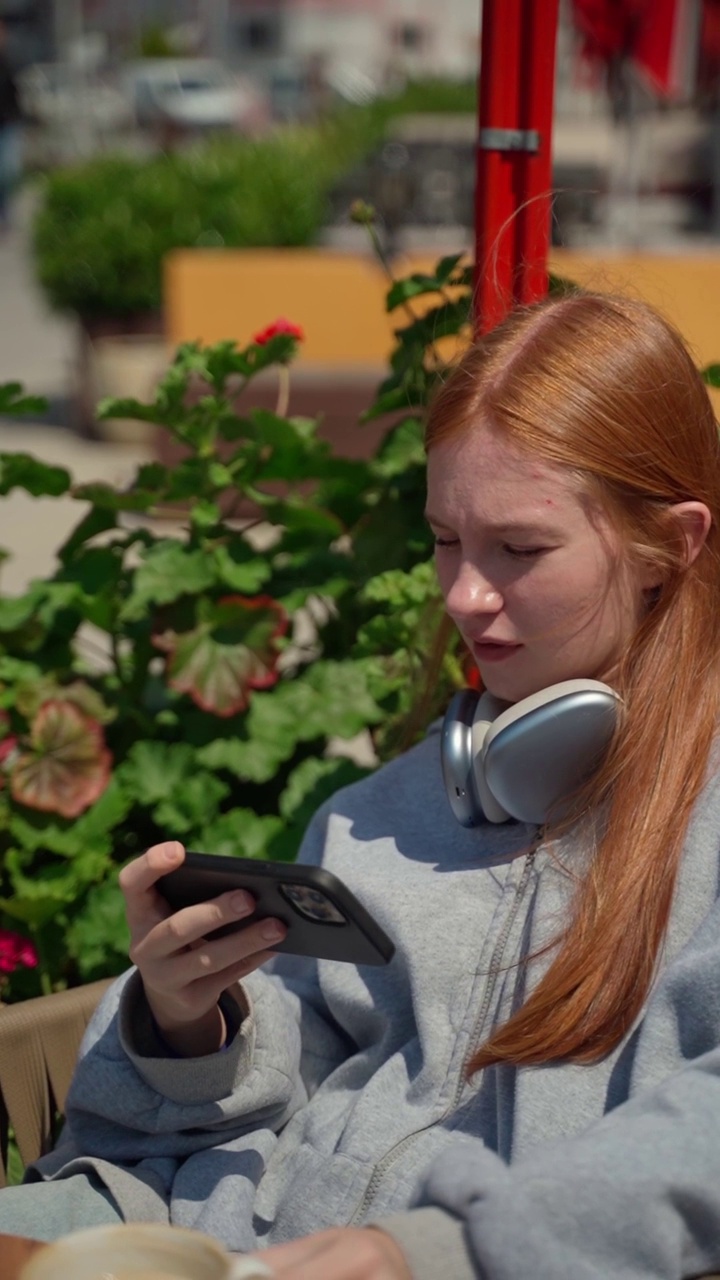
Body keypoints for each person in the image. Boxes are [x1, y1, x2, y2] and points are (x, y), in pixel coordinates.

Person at [3, 289, 720, 1280]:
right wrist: (192, 1018)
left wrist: (436, 1249)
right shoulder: (377, 812)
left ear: (670, 545)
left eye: (520, 547)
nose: (464, 592)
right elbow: (261, 1097)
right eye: (444, 539)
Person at [0, 18, 21, 232]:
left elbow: (16, 93)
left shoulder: (8, 62)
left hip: (8, 123)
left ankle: (5, 213)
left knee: (8, 171)